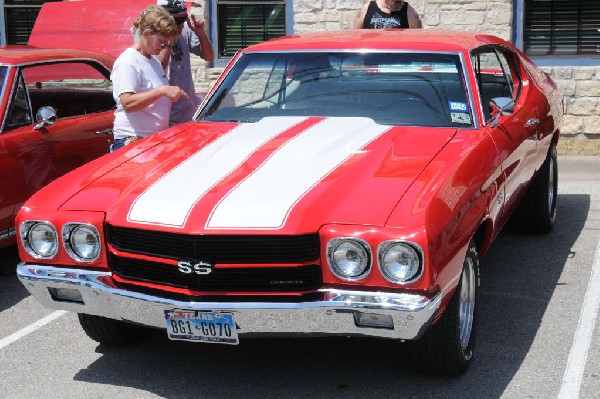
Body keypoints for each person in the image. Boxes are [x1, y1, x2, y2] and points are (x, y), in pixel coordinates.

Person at [111, 5, 189, 152]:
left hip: (151, 141)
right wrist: (161, 91)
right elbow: (127, 102)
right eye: (161, 41)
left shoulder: (153, 61)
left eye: (167, 43)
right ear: (146, 33)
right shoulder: (128, 62)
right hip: (133, 142)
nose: (164, 46)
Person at [156, 0, 215, 126]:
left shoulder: (184, 29)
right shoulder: (149, 35)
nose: (181, 25)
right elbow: (159, 69)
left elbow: (209, 56)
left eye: (184, 18)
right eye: (177, 21)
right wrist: (169, 39)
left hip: (187, 112)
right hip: (163, 116)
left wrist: (200, 33)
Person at [353, 0, 422, 29]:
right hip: (371, 57)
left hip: (398, 58)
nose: (398, 3)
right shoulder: (367, 9)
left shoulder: (410, 12)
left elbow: (417, 40)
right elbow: (355, 36)